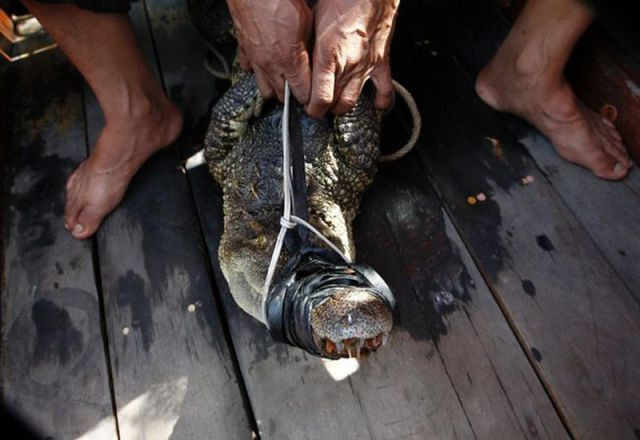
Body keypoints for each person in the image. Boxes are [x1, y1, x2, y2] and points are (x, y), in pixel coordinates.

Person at [21, 0, 631, 240]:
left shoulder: (316, 175)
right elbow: (350, 134)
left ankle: (532, 62)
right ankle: (134, 109)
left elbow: (229, 133)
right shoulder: (321, 172)